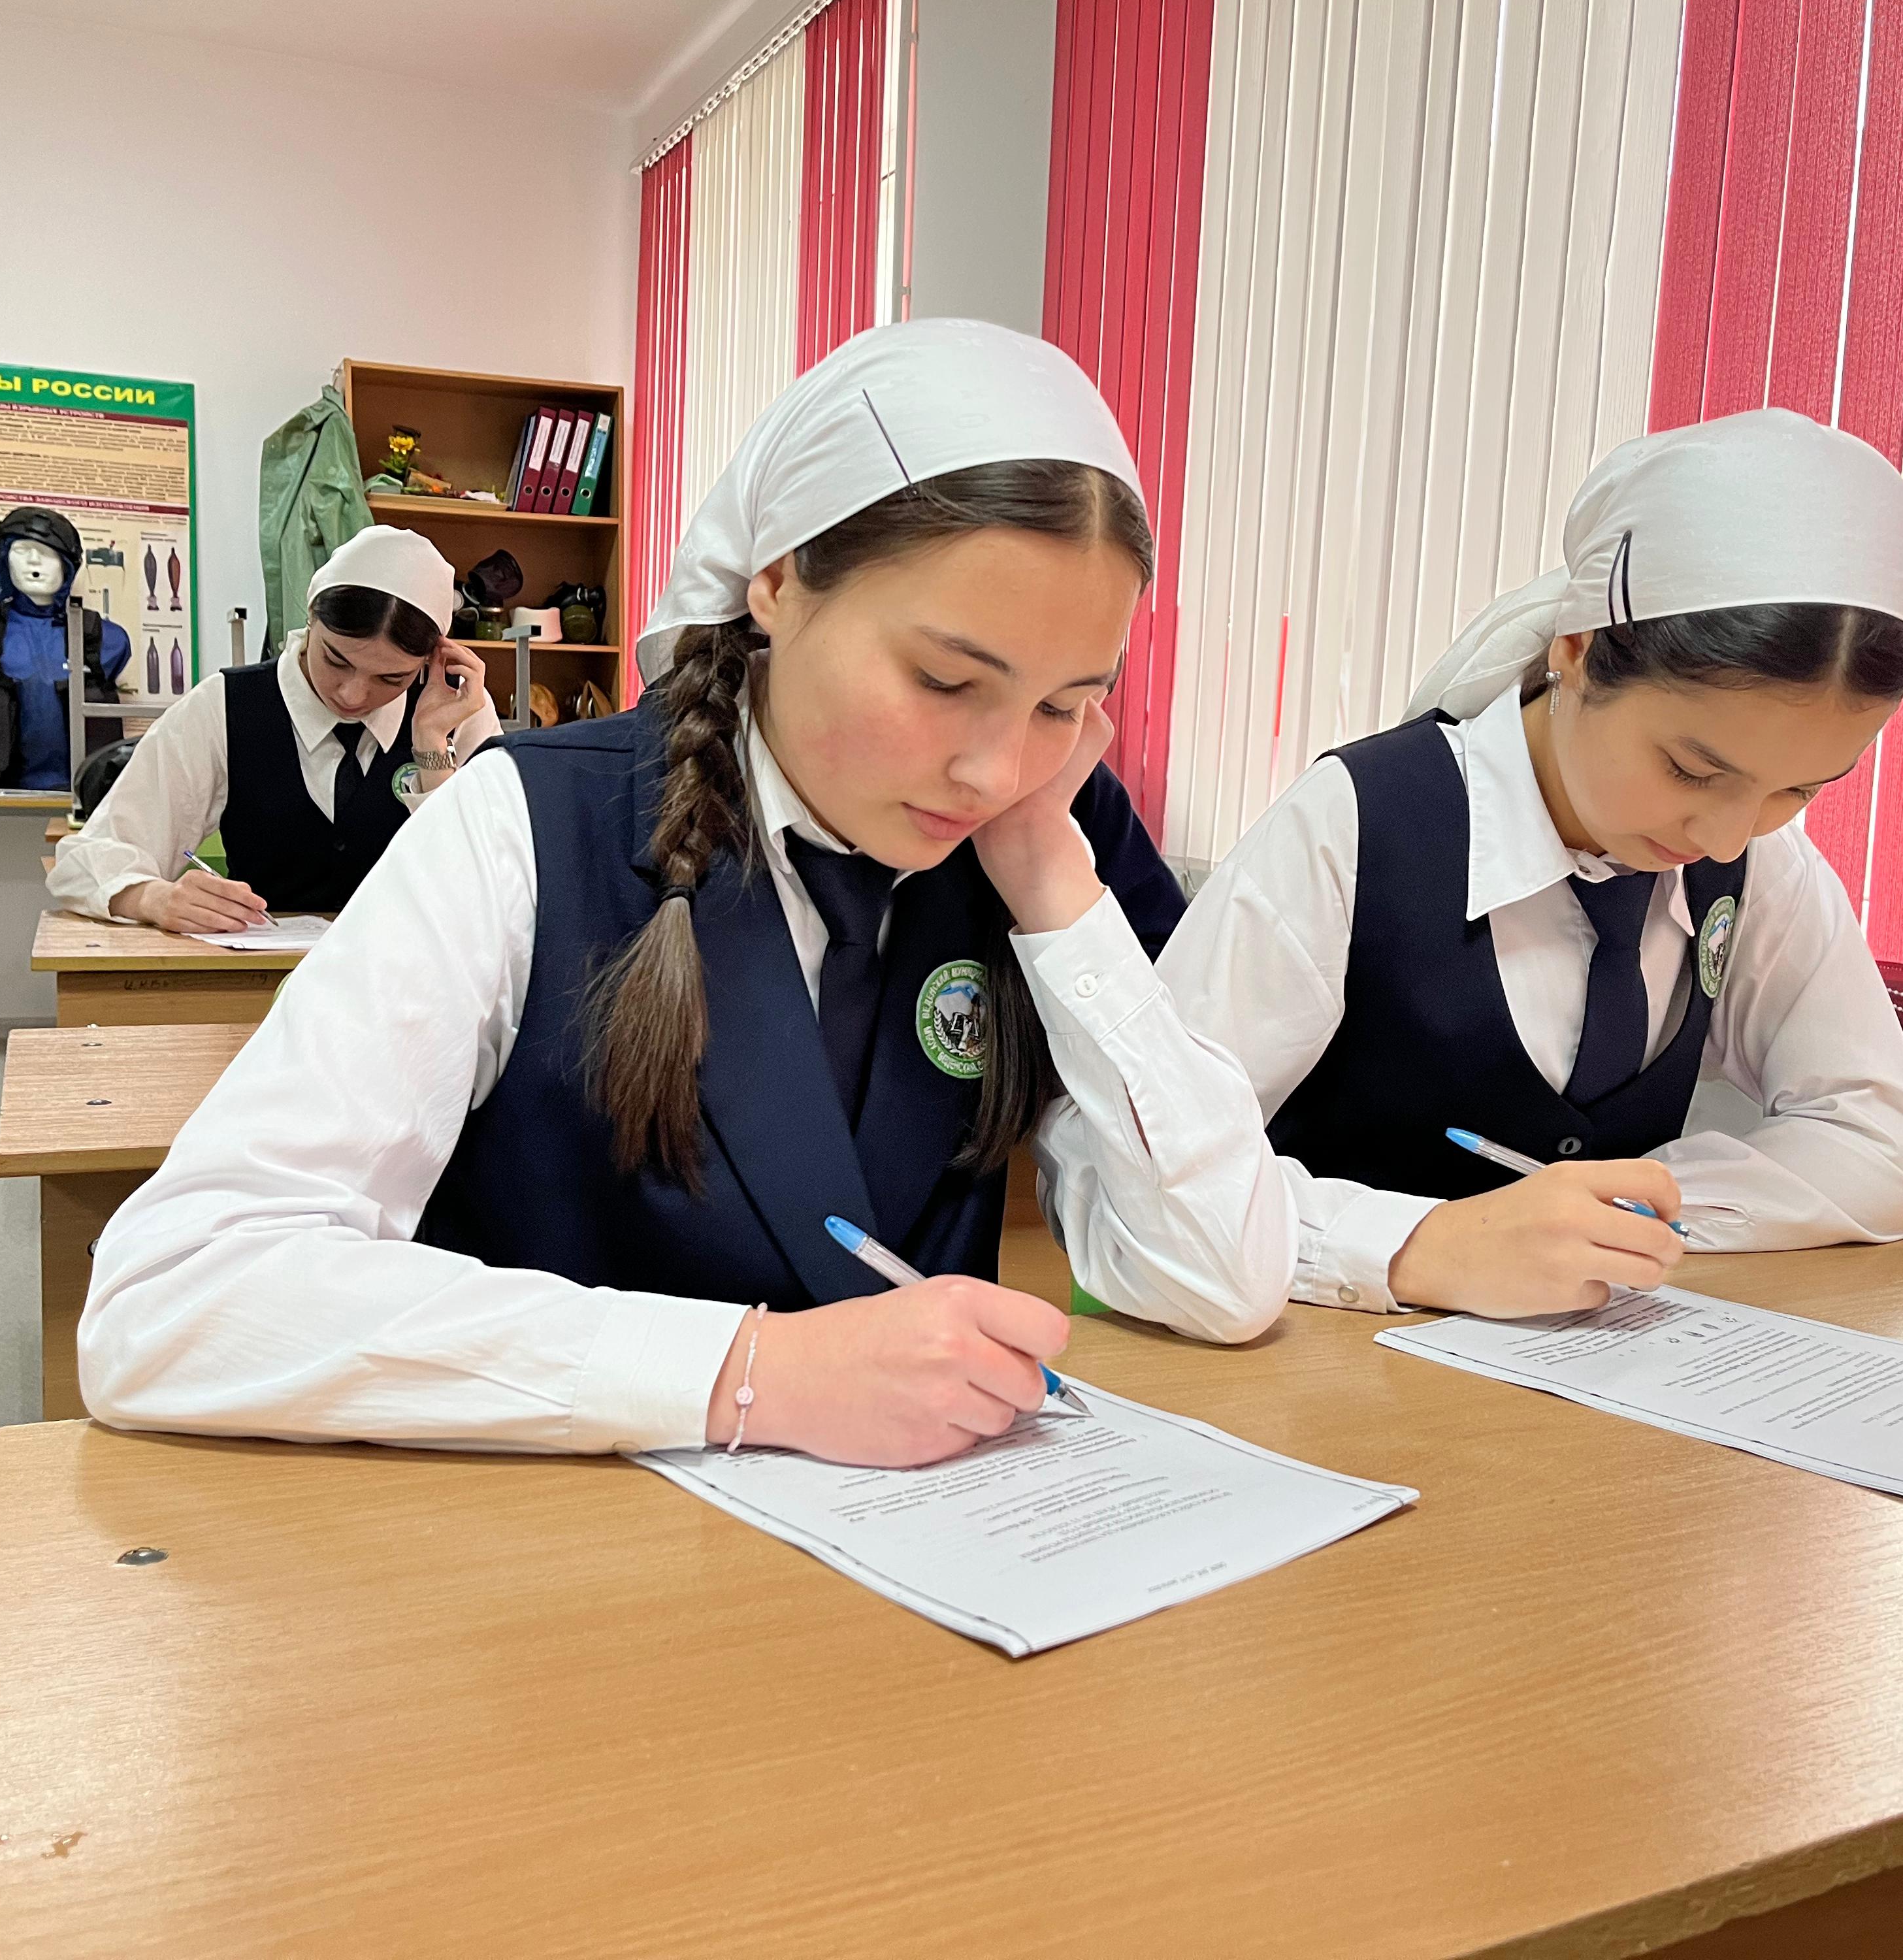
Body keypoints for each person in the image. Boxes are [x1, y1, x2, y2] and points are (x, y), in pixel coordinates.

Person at [78, 321, 1284, 1465]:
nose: (997, 767)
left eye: (1066, 703)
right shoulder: (533, 821)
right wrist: (751, 1372)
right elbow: (175, 1299)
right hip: (567, 1564)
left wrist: (1052, 883)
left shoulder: (1037, 832)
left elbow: (1221, 1277)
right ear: (779, 581)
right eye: (944, 679)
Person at [1052, 407, 1903, 1331]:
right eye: (1691, 770)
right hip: (1306, 1366)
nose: (1727, 837)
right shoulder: (1361, 825)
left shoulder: (1757, 862)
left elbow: (1881, 1145)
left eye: (1798, 790)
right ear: (1577, 650)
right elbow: (1124, 1171)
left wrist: (1633, 1213)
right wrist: (1419, 1245)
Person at [50, 525, 496, 931]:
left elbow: (493, 884)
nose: (353, 695)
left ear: (431, 660)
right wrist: (153, 897)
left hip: (414, 980)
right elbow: (85, 859)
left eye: (391, 679)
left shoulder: (457, 711)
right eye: (336, 660)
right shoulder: (225, 706)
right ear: (311, 617)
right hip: (255, 979)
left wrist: (432, 750)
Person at [0, 506, 134, 791]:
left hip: (88, 798)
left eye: (47, 552)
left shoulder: (107, 639)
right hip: (3, 799)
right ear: (5, 558)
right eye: (22, 550)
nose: (33, 560)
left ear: (67, 566)